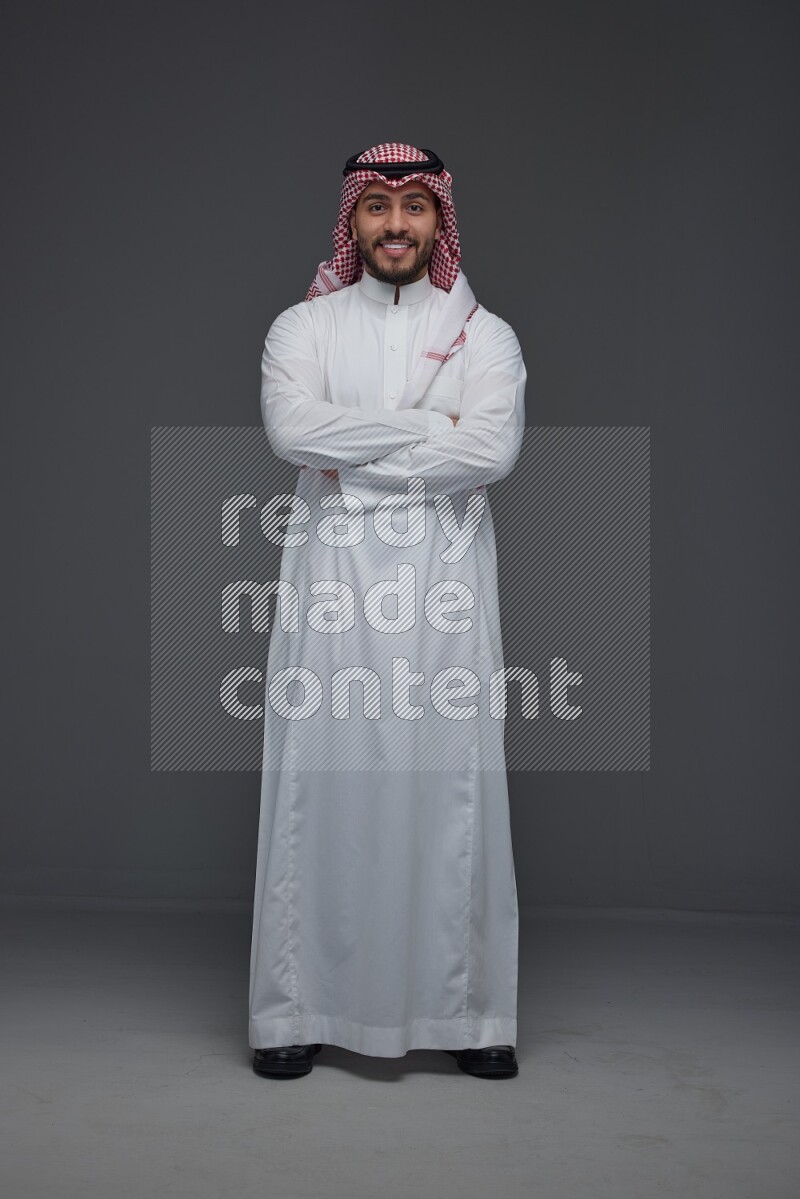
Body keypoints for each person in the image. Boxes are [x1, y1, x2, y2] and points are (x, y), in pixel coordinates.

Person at [249, 143, 527, 1080]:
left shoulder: (487, 336)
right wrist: (429, 436)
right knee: (320, 782)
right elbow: (293, 431)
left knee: (452, 781)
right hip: (334, 578)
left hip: (445, 586)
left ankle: (472, 1013)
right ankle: (296, 1005)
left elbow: (491, 449)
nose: (396, 225)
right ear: (352, 219)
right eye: (376, 206)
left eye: (414, 206)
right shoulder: (303, 327)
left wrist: (356, 460)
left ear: (440, 221)